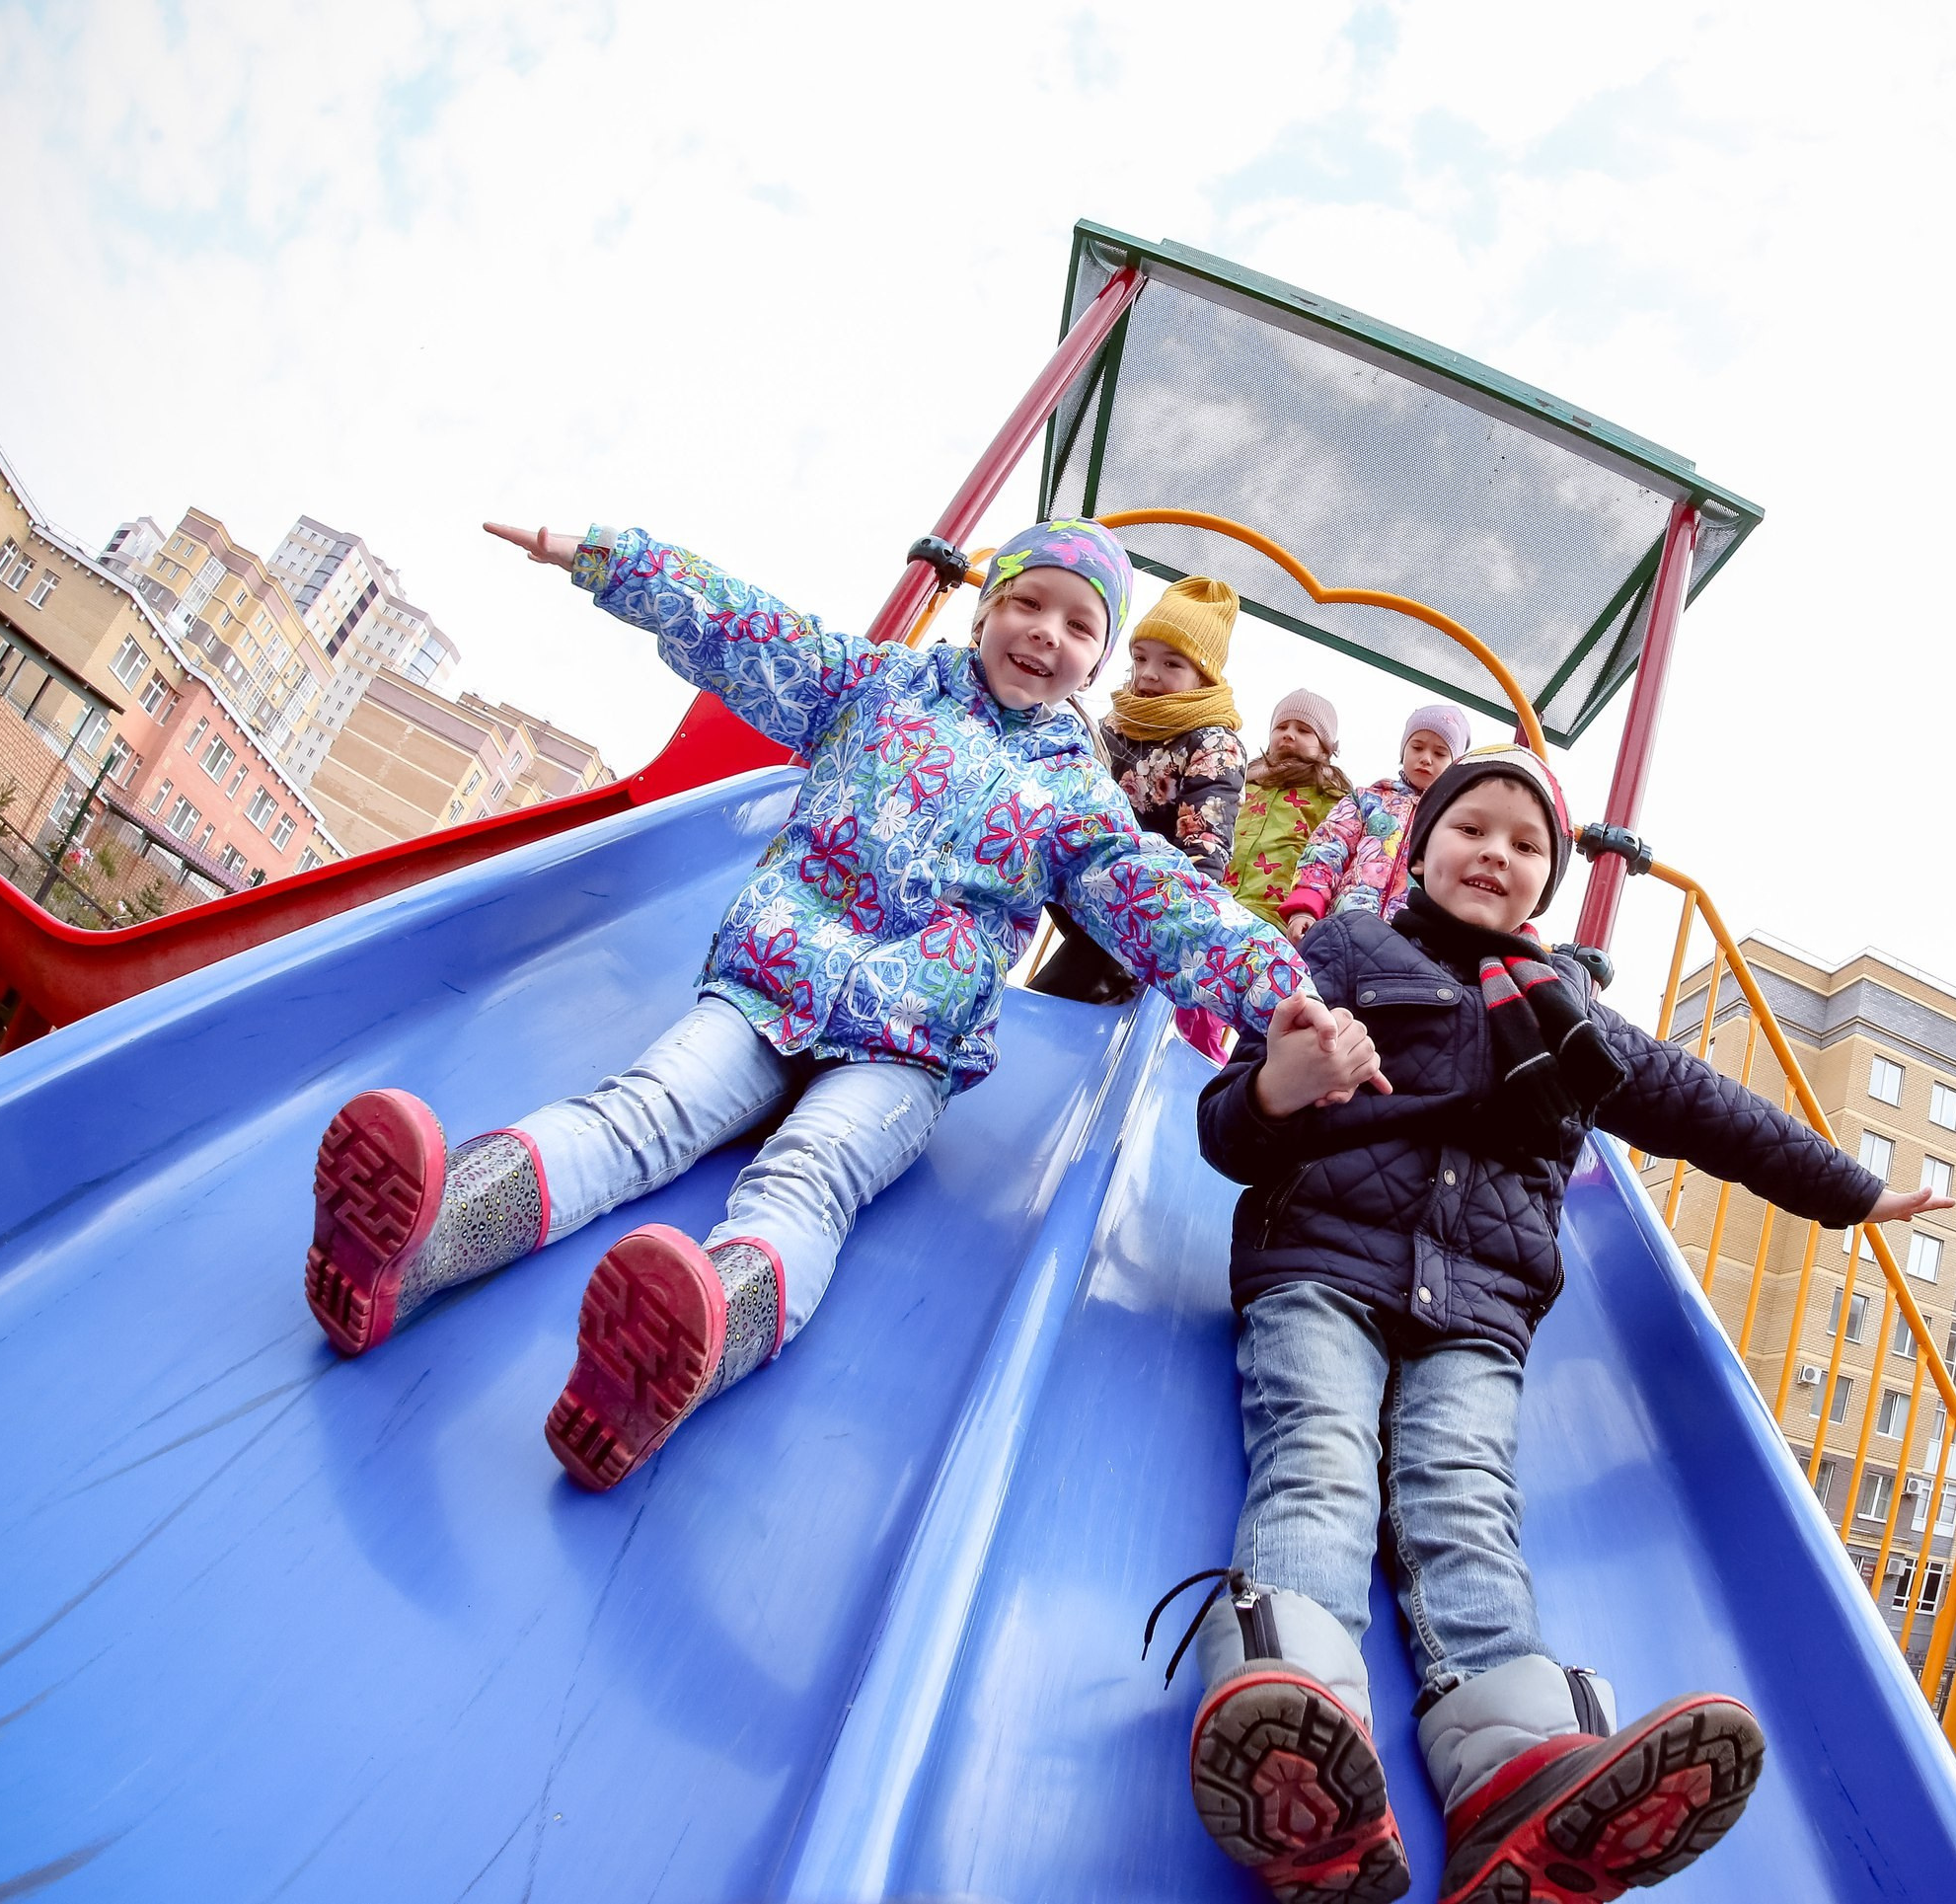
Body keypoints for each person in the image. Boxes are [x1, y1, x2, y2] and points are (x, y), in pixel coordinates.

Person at [299, 518, 1384, 1492]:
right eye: (1027, 602)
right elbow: (750, 632)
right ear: (985, 609)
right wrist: (614, 560)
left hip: (906, 1045)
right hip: (772, 979)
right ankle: (423, 1239)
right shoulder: (877, 688)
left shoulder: (1076, 797)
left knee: (809, 1176)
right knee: (641, 1108)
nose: (1044, 633)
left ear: (1096, 662)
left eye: (1077, 624)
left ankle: (695, 1341)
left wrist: (1281, 989)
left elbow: (1162, 900)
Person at [1157, 744, 1950, 1903]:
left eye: (1527, 844)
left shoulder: (1569, 1013)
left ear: (1548, 880)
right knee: (1319, 1456)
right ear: (1418, 847)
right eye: (1470, 828)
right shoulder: (1345, 953)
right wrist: (1283, 1082)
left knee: (1462, 1503)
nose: (1496, 854)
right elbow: (1227, 1127)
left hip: (1479, 1308)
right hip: (1323, 1265)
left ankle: (1517, 1775)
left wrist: (1852, 1191)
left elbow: (1709, 1110)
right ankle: (1298, 1719)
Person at [1029, 574, 1247, 1016]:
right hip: (1079, 869)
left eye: (1171, 664)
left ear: (1203, 676)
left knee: (1083, 970)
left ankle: (1055, 1008)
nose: (1148, 673)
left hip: (1144, 895)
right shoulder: (1117, 723)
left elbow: (1205, 845)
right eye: (1140, 658)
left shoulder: (1212, 744)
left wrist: (1179, 918)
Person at [1279, 703, 1467, 939]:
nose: (1426, 759)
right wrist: (1306, 906)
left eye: (1439, 753)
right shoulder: (1367, 800)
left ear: (1454, 764)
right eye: (1417, 747)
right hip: (1342, 929)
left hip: (1408, 942)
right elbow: (1327, 849)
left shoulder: (1452, 820)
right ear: (1404, 751)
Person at [1225, 688, 1353, 930]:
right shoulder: (1240, 782)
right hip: (1218, 900)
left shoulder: (1332, 798)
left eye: (1304, 730)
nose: (1289, 735)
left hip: (1276, 917)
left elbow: (1331, 858)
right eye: (1281, 727)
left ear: (1325, 747)